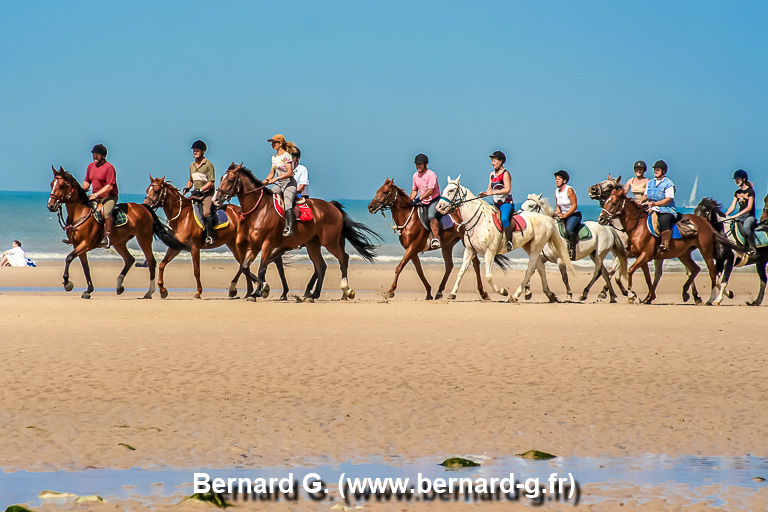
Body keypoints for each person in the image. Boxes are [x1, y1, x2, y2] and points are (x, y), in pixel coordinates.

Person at [83, 144, 119, 248]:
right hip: (95, 197)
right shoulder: (90, 166)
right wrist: (81, 190)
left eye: (97, 154)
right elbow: (87, 182)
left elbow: (109, 187)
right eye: (94, 154)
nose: (95, 156)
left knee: (106, 212)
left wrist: (96, 194)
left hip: (109, 197)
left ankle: (107, 237)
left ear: (103, 156)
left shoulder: (109, 167)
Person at [478, 150, 515, 250]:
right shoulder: (491, 174)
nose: (492, 163)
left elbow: (507, 189)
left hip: (506, 203)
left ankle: (509, 242)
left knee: (504, 219)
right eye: (492, 161)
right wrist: (484, 194)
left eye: (494, 161)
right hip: (495, 203)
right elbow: (489, 189)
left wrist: (492, 193)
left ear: (501, 161)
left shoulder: (505, 173)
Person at [264, 134, 299, 237]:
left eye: (274, 142)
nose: (272, 144)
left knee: (288, 203)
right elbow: (271, 173)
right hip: (279, 184)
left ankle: (289, 228)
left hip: (289, 183)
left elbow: (289, 173)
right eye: (272, 143)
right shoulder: (274, 157)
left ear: (280, 144)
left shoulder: (287, 156)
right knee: (268, 197)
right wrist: (263, 182)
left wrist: (276, 178)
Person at [183, 140, 216, 245]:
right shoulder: (192, 165)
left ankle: (209, 236)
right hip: (195, 194)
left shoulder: (208, 165)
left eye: (197, 150)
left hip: (207, 194)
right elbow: (191, 180)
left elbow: (211, 183)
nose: (195, 152)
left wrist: (200, 190)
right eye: (194, 150)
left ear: (203, 151)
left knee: (206, 213)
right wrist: (187, 188)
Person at [642, 160, 676, 253]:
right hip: (651, 207)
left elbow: (669, 199)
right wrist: (639, 202)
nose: (656, 171)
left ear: (663, 171)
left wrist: (655, 204)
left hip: (666, 209)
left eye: (658, 170)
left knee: (664, 220)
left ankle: (665, 243)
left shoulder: (668, 183)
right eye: (655, 170)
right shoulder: (650, 182)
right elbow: (645, 196)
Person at [410, 153, 442, 249]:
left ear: (425, 164)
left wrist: (418, 199)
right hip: (423, 201)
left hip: (434, 200)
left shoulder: (431, 174)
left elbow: (430, 191)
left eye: (420, 164)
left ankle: (436, 238)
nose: (418, 166)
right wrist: (410, 200)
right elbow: (414, 189)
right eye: (416, 164)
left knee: (431, 215)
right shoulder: (415, 175)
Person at [725, 169, 757, 255]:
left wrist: (736, 215)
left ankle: (752, 247)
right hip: (740, 217)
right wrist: (725, 215)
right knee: (732, 227)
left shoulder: (750, 191)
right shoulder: (737, 192)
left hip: (749, 216)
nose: (736, 181)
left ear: (743, 179)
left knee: (746, 227)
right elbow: (732, 206)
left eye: (738, 179)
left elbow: (749, 207)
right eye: (735, 180)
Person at [554, 170, 582, 261]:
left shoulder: (569, 190)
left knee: (569, 230)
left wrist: (565, 215)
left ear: (564, 181)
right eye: (556, 179)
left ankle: (572, 250)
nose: (557, 180)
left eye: (559, 179)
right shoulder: (556, 192)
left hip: (574, 215)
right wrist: (557, 214)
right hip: (563, 215)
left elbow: (574, 205)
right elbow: (558, 206)